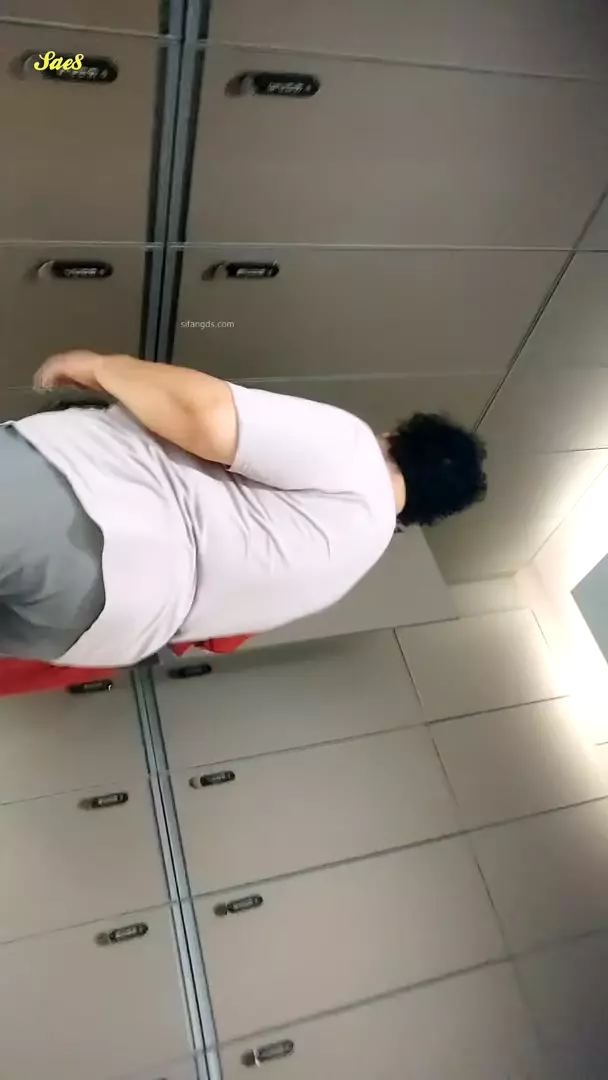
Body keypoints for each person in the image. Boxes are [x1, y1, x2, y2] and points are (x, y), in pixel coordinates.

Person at [0, 351, 487, 667]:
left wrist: (103, 367)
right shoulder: (351, 568)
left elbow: (207, 416)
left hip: (88, 508)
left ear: (398, 437)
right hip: (93, 630)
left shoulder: (356, 450)